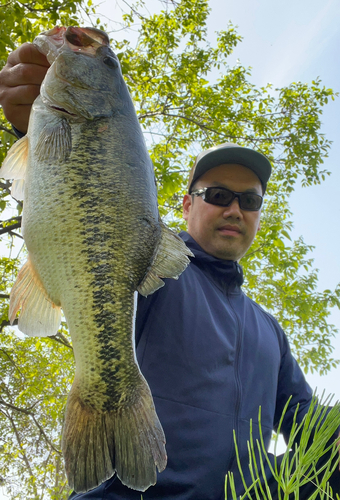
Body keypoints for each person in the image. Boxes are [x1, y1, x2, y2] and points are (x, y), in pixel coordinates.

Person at [1, 43, 340, 500]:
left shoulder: (270, 334)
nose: (235, 209)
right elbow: (85, 217)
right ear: (187, 204)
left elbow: (312, 431)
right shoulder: (154, 271)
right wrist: (32, 127)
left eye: (250, 200)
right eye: (218, 195)